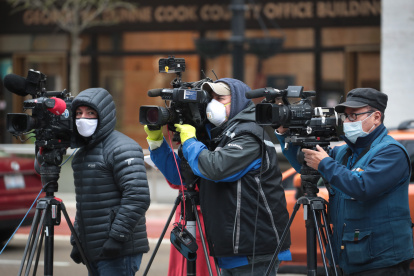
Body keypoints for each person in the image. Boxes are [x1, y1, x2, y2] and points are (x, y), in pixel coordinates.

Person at [145, 78, 291, 275]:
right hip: (231, 245)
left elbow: (215, 168)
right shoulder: (218, 135)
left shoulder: (249, 135)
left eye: (220, 98)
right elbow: (181, 176)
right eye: (210, 98)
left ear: (238, 100)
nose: (213, 103)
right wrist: (156, 142)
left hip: (254, 247)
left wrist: (190, 141)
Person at [276, 88, 414, 275]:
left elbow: (362, 186)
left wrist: (325, 163)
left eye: (354, 116)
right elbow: (305, 165)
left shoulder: (391, 152)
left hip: (382, 260)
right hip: (347, 257)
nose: (347, 122)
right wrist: (284, 133)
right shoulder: (343, 151)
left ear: (376, 117)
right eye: (345, 116)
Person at [69, 88, 150, 276]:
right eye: (79, 113)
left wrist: (117, 237)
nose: (83, 118)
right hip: (94, 249)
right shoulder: (82, 154)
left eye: (90, 113)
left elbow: (137, 197)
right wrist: (77, 240)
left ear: (103, 115)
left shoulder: (123, 148)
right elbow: (85, 204)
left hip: (118, 251)